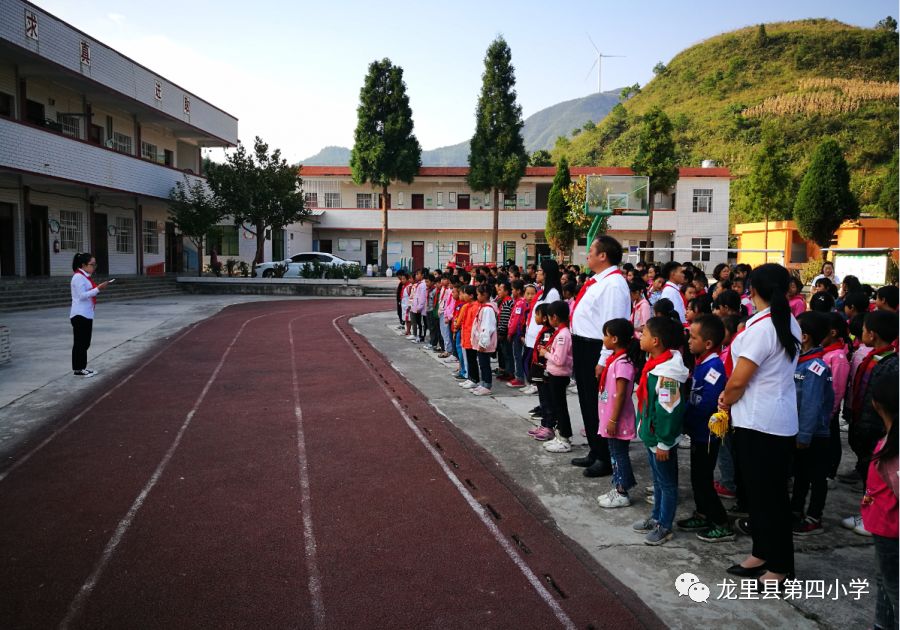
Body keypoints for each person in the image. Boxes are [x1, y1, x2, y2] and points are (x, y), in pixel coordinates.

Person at [720, 263, 801, 587]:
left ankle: (780, 565)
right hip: (768, 418)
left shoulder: (763, 328)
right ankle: (762, 552)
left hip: (761, 422)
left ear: (751, 290)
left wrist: (725, 399)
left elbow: (740, 379)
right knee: (759, 493)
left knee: (770, 497)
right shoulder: (783, 322)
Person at [569, 236, 631, 478]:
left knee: (599, 403)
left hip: (597, 347)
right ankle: (595, 450)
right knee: (587, 400)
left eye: (592, 250)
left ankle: (605, 457)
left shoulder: (614, 284)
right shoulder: (599, 281)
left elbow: (613, 326)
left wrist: (604, 359)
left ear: (603, 255)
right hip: (584, 345)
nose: (588, 254)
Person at [633, 315, 690, 545]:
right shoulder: (654, 363)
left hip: (661, 440)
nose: (640, 336)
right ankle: (656, 516)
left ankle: (664, 525)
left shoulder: (668, 375)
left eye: (644, 334)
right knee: (657, 481)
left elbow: (669, 411)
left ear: (656, 341)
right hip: (652, 436)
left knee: (666, 484)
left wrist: (665, 442)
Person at [678, 314, 734, 542]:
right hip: (698, 432)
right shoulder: (703, 364)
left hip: (707, 434)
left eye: (693, 337)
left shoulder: (714, 368)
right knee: (696, 477)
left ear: (708, 343)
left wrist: (687, 417)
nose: (688, 341)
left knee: (703, 479)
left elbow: (708, 402)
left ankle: (721, 522)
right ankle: (702, 513)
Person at [791, 312, 835, 536]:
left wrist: (805, 435)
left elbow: (811, 404)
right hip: (800, 431)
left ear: (805, 336)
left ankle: (814, 516)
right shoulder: (799, 361)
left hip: (813, 434)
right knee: (800, 474)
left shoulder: (815, 367)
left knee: (816, 476)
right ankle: (796, 509)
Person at [861, 375, 898, 630]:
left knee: (894, 587)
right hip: (882, 526)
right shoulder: (889, 442)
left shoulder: (893, 454)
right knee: (884, 581)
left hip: (890, 529)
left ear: (876, 404)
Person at [596, 318, 641, 509]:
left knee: (618, 454)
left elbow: (622, 393)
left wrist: (613, 419)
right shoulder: (615, 359)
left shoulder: (623, 363)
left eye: (605, 335)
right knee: (615, 452)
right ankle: (620, 485)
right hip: (610, 415)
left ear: (614, 339)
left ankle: (622, 491)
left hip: (618, 418)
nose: (603, 338)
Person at [523, 260, 563, 396]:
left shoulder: (552, 293)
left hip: (544, 336)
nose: (537, 273)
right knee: (530, 362)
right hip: (535, 333)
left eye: (540, 271)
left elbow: (552, 316)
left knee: (540, 368)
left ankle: (543, 402)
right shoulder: (543, 291)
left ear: (546, 273)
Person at [540, 301, 575, 453]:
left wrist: (545, 353)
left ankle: (565, 438)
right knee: (556, 405)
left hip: (559, 375)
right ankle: (560, 434)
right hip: (554, 373)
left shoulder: (563, 335)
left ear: (554, 317)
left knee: (560, 407)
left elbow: (559, 360)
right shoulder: (560, 332)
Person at [70, 252, 112, 377]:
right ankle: (79, 369)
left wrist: (97, 289)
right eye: (92, 264)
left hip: (87, 314)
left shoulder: (85, 277)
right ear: (83, 265)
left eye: (95, 264)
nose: (94, 267)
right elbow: (81, 295)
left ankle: (81, 367)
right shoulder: (78, 277)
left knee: (85, 342)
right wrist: (98, 288)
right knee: (80, 343)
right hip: (79, 314)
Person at [822, 313, 851, 484]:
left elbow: (837, 389)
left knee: (831, 441)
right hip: (821, 409)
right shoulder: (825, 352)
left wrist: (831, 411)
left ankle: (829, 473)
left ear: (832, 333)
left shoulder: (838, 357)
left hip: (829, 410)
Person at [470, 285, 498, 396]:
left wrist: (483, 343)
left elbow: (487, 327)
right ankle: (482, 383)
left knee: (485, 364)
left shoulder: (488, 309)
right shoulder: (484, 307)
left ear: (485, 295)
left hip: (485, 343)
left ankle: (487, 385)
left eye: (478, 294)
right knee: (482, 363)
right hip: (480, 341)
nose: (477, 296)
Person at [505, 280, 528, 388]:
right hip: (517, 332)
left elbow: (516, 320)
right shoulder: (518, 302)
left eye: (513, 289)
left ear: (518, 291)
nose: (512, 291)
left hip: (517, 333)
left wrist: (510, 332)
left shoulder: (520, 303)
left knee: (517, 355)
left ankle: (519, 377)